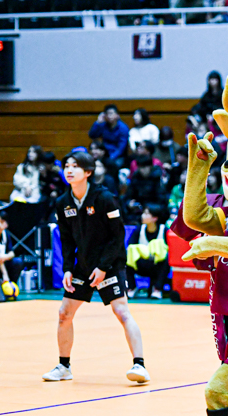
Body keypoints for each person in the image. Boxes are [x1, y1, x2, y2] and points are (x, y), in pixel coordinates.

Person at [43, 151, 149, 384]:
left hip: (109, 264)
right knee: (64, 314)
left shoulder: (105, 198)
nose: (69, 170)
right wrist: (68, 269)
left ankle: (140, 365)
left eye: (75, 166)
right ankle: (64, 366)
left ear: (88, 172)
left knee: (122, 312)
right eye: (66, 166)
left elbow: (117, 236)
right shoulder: (63, 203)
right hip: (83, 265)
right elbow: (67, 240)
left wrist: (103, 267)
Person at [126, 204, 169, 300]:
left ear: (155, 218)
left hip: (156, 266)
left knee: (167, 259)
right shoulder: (139, 229)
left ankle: (157, 289)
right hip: (141, 265)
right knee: (127, 257)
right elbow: (130, 246)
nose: (142, 216)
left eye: (146, 214)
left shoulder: (164, 230)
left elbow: (170, 248)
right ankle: (132, 288)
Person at [0, 211, 24, 286]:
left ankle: (11, 285)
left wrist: (5, 257)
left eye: (2, 222)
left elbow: (11, 253)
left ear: (6, 224)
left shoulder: (5, 234)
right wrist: (5, 274)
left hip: (0, 264)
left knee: (17, 262)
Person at [88, 104, 129, 168]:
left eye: (111, 113)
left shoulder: (123, 128)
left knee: (112, 165)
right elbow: (92, 135)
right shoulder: (103, 125)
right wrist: (97, 122)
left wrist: (111, 158)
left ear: (117, 115)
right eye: (107, 114)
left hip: (118, 156)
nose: (109, 116)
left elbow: (121, 148)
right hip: (104, 154)